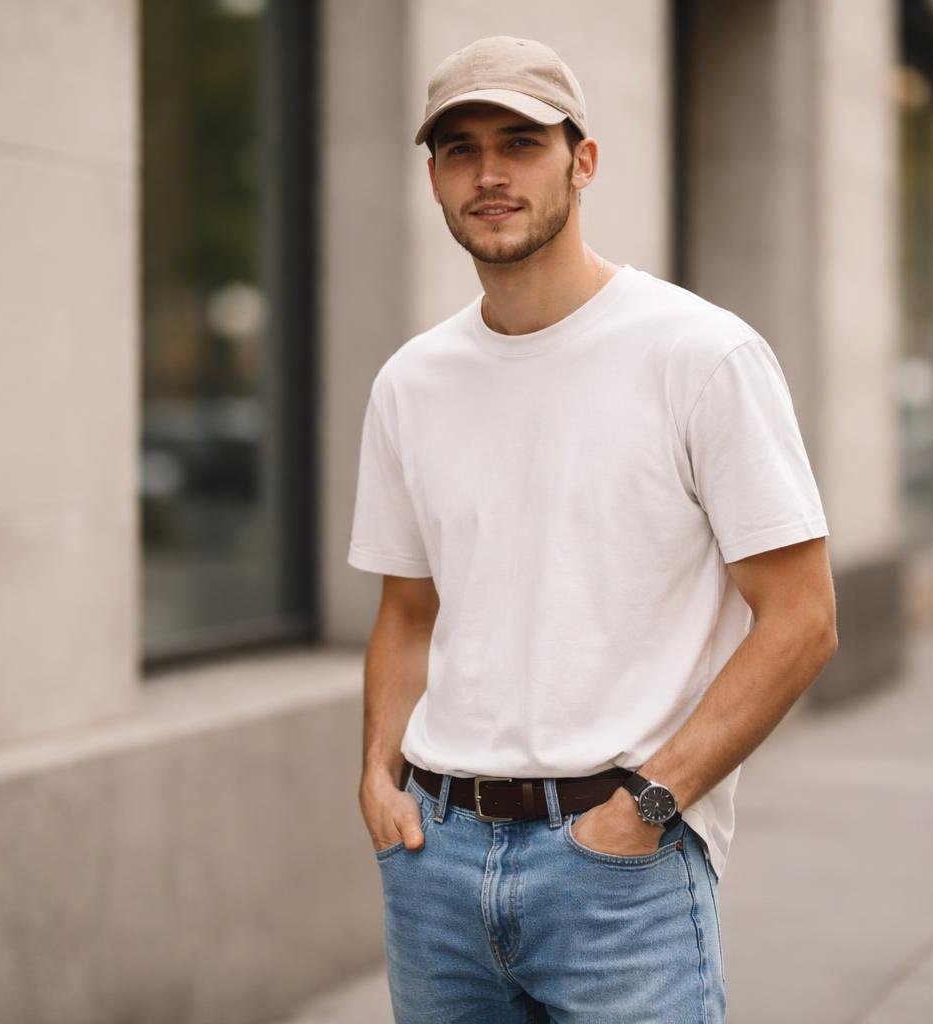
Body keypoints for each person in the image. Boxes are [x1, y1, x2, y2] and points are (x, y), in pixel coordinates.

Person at [347, 34, 838, 1024]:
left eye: (521, 142)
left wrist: (651, 806)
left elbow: (801, 617)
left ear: (584, 160)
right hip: (434, 861)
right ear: (434, 177)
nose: (490, 173)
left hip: (621, 874)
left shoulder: (701, 355)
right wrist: (376, 775)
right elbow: (408, 609)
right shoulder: (410, 383)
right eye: (460, 148)